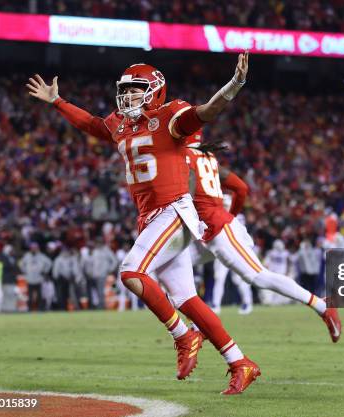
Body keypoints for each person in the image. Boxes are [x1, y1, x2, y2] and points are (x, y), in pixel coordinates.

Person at [27, 53, 260, 394]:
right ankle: (240, 362)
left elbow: (207, 111)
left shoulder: (169, 117)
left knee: (130, 272)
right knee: (186, 298)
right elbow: (92, 124)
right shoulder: (120, 124)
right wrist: (58, 101)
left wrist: (234, 84)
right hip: (150, 216)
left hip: (174, 210)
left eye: (135, 90)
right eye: (125, 91)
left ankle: (183, 336)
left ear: (154, 92)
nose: (127, 96)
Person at [185, 135, 341, 342]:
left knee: (257, 276)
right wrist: (231, 215)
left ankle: (323, 306)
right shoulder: (208, 158)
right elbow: (241, 188)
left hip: (217, 229)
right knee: (171, 267)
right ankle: (199, 324)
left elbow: (185, 196)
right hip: (211, 228)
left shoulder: (184, 157)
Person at [19, 242, 52, 312]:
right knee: (30, 296)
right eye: (32, 248)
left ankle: (40, 309)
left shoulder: (41, 256)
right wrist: (25, 271)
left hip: (39, 279)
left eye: (35, 248)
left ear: (37, 248)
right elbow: (21, 264)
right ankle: (30, 309)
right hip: (30, 279)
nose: (34, 249)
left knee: (40, 295)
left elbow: (49, 263)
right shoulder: (27, 256)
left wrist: (44, 271)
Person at [87, 238, 118, 310]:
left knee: (108, 290)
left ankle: (103, 306)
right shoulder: (94, 251)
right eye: (97, 242)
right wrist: (90, 272)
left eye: (99, 242)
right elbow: (91, 263)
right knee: (98, 292)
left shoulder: (106, 251)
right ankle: (101, 305)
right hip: (95, 275)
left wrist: (110, 270)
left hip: (104, 275)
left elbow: (114, 261)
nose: (98, 244)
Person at [0, 244, 20, 313]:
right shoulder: (2, 258)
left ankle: (11, 308)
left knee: (12, 295)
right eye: (10, 250)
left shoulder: (12, 258)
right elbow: (5, 268)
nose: (12, 252)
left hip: (12, 280)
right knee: (6, 295)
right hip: (6, 280)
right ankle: (5, 309)